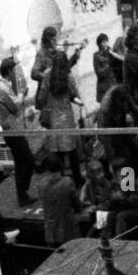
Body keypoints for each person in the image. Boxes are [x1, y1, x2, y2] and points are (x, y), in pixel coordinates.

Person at [0, 58, 37, 207]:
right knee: (28, 162)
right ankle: (22, 192)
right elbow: (15, 106)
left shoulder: (5, 86)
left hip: (14, 131)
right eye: (15, 70)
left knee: (21, 164)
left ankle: (22, 195)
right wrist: (21, 93)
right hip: (12, 132)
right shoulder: (3, 88)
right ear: (10, 71)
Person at [42, 50, 84, 188]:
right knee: (71, 150)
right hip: (66, 116)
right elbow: (75, 95)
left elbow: (42, 96)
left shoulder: (47, 75)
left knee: (57, 151)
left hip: (53, 117)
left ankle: (58, 181)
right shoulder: (68, 77)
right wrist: (79, 101)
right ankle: (77, 180)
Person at [38, 153, 83, 247]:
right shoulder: (68, 182)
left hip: (50, 233)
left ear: (47, 168)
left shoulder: (41, 184)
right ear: (62, 166)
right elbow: (76, 205)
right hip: (68, 231)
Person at [92, 33, 120, 102]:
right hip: (104, 87)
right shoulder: (96, 56)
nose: (106, 44)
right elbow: (99, 73)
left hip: (114, 84)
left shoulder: (111, 52)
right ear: (99, 44)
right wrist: (109, 65)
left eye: (106, 41)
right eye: (103, 42)